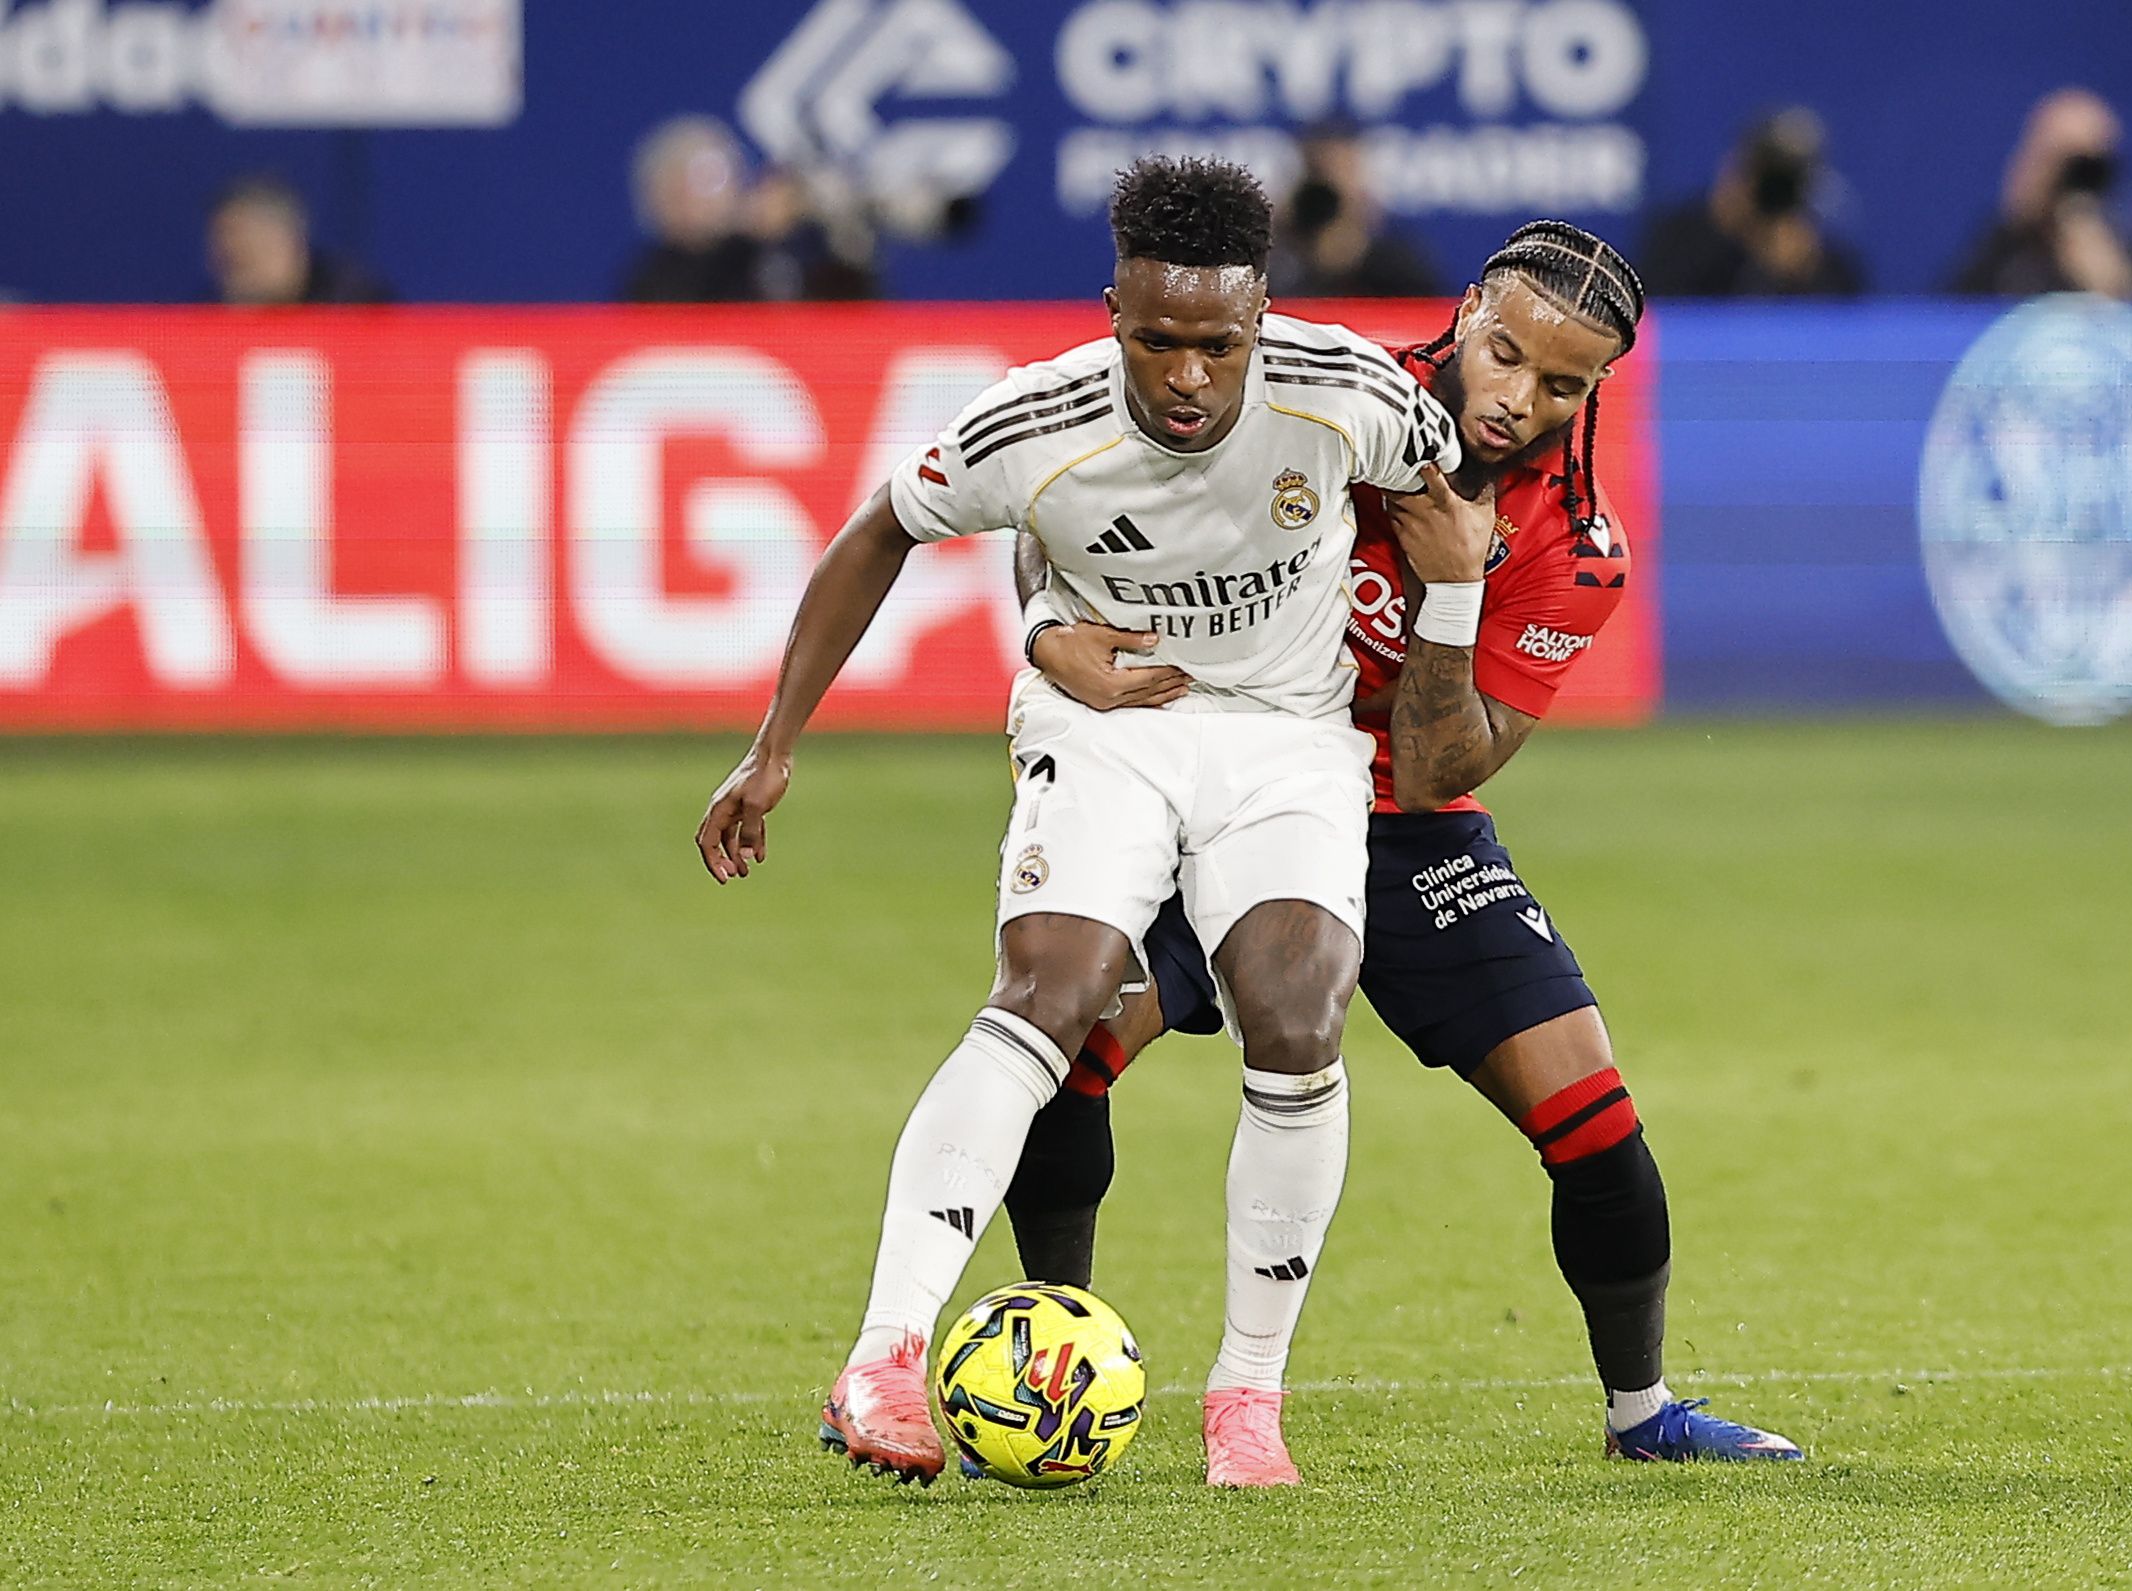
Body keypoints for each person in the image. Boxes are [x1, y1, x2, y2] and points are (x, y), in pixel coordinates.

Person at [693, 156, 1461, 1487]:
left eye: (1215, 344)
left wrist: (1453, 649)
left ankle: (1246, 1399)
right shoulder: (1030, 417)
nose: (1185, 375)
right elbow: (880, 529)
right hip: (1109, 727)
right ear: (1111, 309)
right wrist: (773, 748)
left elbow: (1455, 509)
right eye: (1154, 338)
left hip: (1287, 732)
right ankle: (882, 1354)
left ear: (1260, 319)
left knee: (1296, 1013)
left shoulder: (1350, 395)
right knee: (1051, 988)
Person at [1002, 221, 1806, 1467]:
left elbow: (1442, 769)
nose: (1518, 400)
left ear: (1600, 385)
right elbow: (1072, 501)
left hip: (1399, 826)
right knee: (1069, 1056)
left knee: (1596, 1124)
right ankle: (1056, 1363)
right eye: (1505, 355)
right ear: (1470, 308)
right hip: (1222, 787)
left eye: (1562, 383)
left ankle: (1640, 1417)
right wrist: (1045, 625)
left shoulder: (1576, 543)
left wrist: (1454, 587)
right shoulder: (1317, 400)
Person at [620, 116, 876, 303]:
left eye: (714, 175)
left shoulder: (789, 249)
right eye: (687, 181)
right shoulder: (655, 281)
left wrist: (840, 232)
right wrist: (749, 234)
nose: (701, 194)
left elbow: (860, 305)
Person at [1950, 88, 2132, 299]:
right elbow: (1952, 321)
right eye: (2062, 162)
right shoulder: (2003, 250)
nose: (2075, 178)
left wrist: (2110, 279)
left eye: (2087, 164)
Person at [1638, 108, 1865, 299]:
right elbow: (1654, 315)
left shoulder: (1819, 259)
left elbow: (1849, 331)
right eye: (1767, 176)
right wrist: (1726, 233)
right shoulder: (1682, 236)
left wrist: (1803, 273)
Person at [1274, 125, 1442, 298]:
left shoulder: (1398, 265)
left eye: (1343, 172)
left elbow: (1427, 310)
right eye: (1319, 173)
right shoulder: (1278, 264)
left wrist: (1357, 255)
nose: (1332, 187)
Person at [205, 175, 392, 306]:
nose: (232, 256)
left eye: (248, 257)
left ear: (287, 240)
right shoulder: (208, 315)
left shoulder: (357, 305)